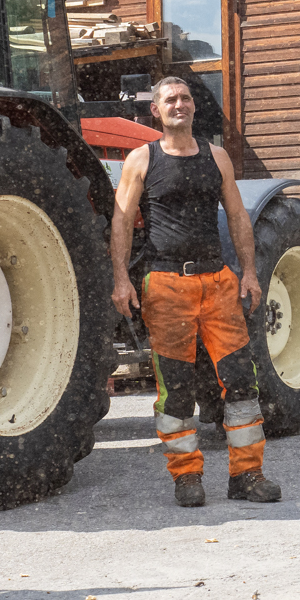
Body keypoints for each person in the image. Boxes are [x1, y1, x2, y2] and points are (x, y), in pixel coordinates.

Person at [110, 76, 282, 508]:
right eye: (170, 99)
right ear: (156, 110)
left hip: (219, 283)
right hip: (166, 285)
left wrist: (249, 272)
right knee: (176, 386)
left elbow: (238, 216)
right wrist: (121, 279)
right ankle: (186, 476)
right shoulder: (141, 159)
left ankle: (247, 475)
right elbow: (121, 221)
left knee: (241, 381)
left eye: (185, 98)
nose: (179, 104)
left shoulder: (216, 156)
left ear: (193, 106)